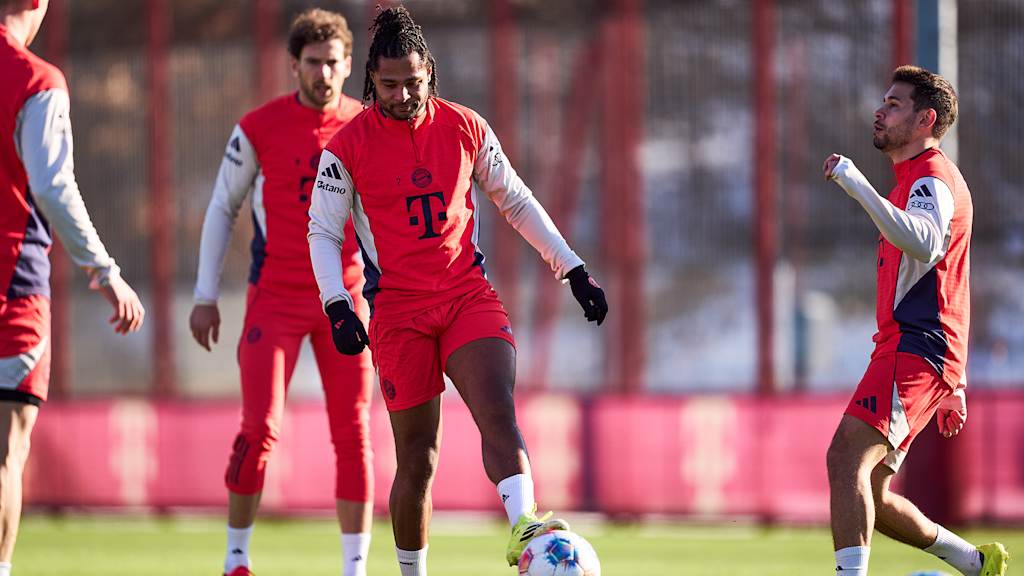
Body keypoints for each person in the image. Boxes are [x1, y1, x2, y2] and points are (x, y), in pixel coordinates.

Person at [307, 6, 608, 576]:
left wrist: (571, 268)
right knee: (418, 460)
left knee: (497, 409)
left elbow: (514, 198)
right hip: (398, 313)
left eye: (413, 83)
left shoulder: (466, 126)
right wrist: (337, 303)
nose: (402, 95)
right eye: (390, 85)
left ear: (431, 74)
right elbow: (322, 231)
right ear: (371, 78)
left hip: (467, 296)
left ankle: (525, 526)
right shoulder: (346, 148)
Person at [188, 9, 374, 576]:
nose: (323, 74)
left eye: (334, 63)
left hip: (346, 298)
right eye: (313, 63)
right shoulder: (258, 127)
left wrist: (392, 291)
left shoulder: (367, 125)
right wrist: (204, 293)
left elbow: (378, 218)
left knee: (354, 433)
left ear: (349, 65)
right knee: (259, 429)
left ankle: (355, 568)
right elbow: (224, 206)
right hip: (276, 298)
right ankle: (236, 559)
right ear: (293, 64)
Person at [823, 65, 1009, 576]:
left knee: (845, 460)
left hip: (917, 347)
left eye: (895, 104)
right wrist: (958, 382)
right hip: (919, 350)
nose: (880, 110)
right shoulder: (917, 177)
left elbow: (926, 244)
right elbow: (954, 280)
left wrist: (856, 183)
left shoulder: (931, 177)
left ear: (926, 119)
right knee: (874, 495)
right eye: (883, 101)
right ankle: (975, 563)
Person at [1, 0, 145, 574]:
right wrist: (104, 272)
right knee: (6, 450)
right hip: (11, 285)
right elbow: (53, 186)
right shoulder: (36, 79)